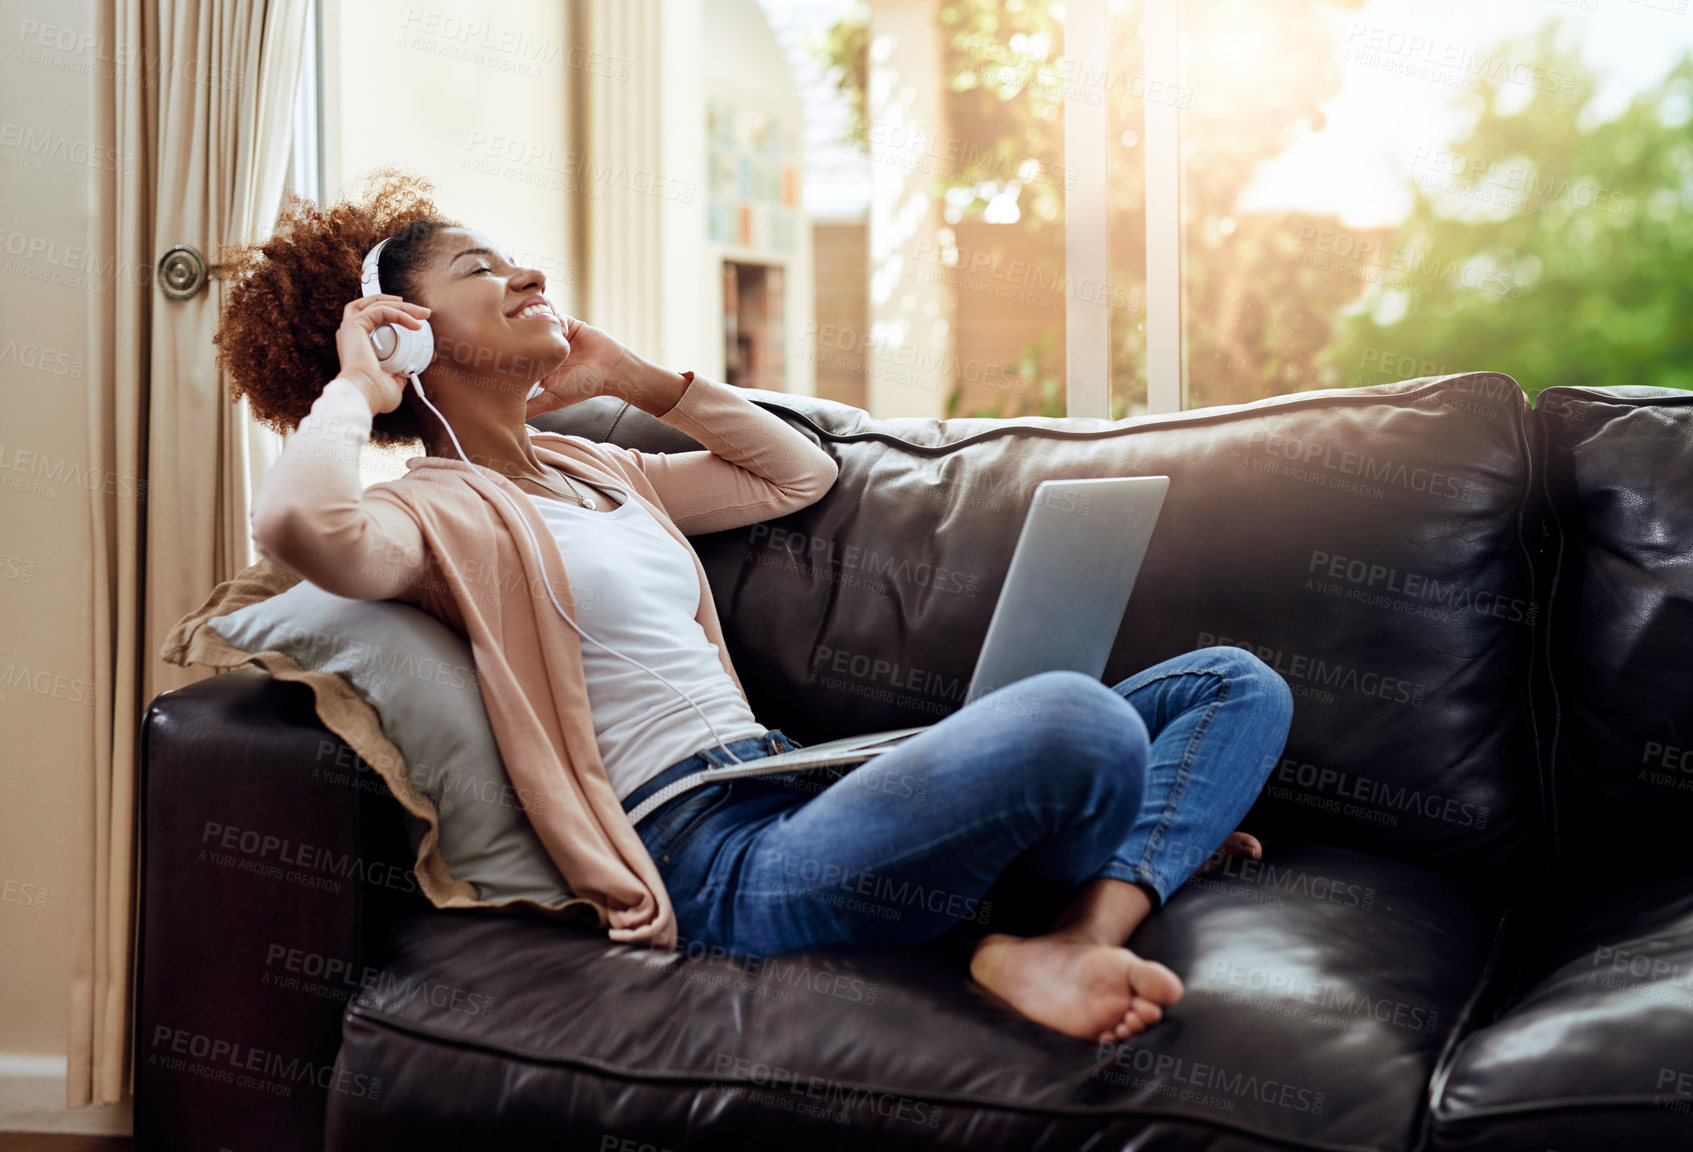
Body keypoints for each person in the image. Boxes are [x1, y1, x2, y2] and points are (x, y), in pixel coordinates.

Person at [217, 171, 1295, 1047]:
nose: (527, 273)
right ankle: (1091, 865)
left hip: (788, 783)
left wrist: (638, 381)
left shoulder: (600, 470)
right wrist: (360, 389)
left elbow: (796, 476)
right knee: (1077, 725)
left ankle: (1074, 931)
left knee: (1231, 685)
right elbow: (302, 529)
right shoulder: (430, 515)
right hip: (715, 866)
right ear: (405, 327)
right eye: (479, 269)